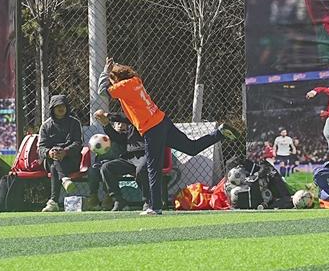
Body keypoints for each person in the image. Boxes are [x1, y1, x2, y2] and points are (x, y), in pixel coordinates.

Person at [98, 58, 241, 216]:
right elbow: (131, 115)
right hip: (162, 121)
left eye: (112, 80)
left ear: (117, 79)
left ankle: (155, 207)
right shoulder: (135, 82)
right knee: (192, 148)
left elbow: (102, 91)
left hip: (152, 129)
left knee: (152, 168)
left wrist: (105, 72)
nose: (111, 84)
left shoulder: (124, 86)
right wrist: (110, 116)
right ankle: (219, 133)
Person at [38, 95, 83, 212]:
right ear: (52, 109)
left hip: (71, 160)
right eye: (57, 106)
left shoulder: (74, 123)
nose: (60, 108)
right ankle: (64, 179)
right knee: (54, 161)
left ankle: (53, 202)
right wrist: (49, 152)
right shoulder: (46, 126)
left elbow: (78, 143)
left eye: (63, 106)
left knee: (55, 167)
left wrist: (66, 151)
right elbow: (41, 148)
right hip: (51, 159)